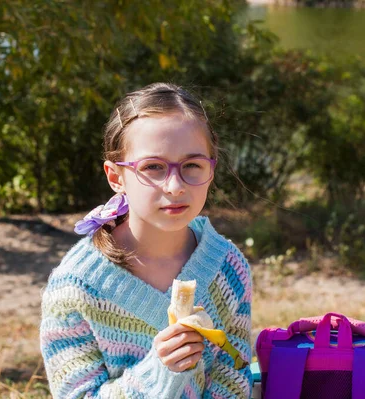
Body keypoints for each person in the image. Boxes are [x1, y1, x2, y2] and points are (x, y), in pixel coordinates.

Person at [40, 82, 253, 398]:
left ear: (212, 167)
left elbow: (234, 379)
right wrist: (159, 374)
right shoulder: (75, 288)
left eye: (192, 165)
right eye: (153, 167)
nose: (175, 186)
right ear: (116, 177)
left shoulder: (228, 269)